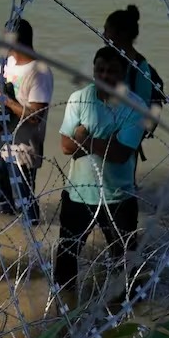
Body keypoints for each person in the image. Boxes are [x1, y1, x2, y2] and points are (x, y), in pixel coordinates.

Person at [54, 46, 145, 296]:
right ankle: (63, 313)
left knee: (126, 267)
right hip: (79, 194)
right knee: (66, 262)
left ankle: (127, 318)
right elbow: (65, 146)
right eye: (100, 70)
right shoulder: (79, 98)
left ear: (124, 73)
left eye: (112, 71)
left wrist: (84, 136)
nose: (104, 76)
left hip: (118, 196)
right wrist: (106, 140)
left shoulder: (135, 106)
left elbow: (120, 155)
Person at [0, 18, 53, 224]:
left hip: (23, 152)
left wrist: (2, 99)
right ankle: (12, 245)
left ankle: (31, 250)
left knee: (26, 210)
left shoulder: (39, 71)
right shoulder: (7, 65)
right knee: (4, 208)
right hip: (1, 147)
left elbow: (35, 117)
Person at [103, 4, 164, 169]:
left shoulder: (140, 67)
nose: (103, 35)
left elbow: (141, 107)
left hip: (129, 130)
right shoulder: (111, 61)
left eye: (107, 30)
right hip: (113, 127)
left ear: (121, 34)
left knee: (125, 170)